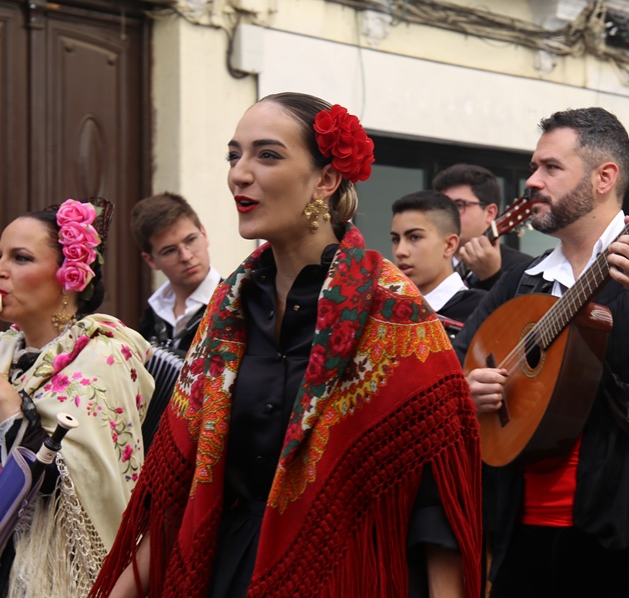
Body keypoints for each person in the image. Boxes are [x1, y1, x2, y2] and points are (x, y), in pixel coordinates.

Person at [92, 93, 482, 598]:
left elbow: (436, 508)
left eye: (267, 155)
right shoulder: (225, 314)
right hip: (222, 573)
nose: (239, 173)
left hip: (348, 577)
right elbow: (179, 493)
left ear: (325, 178)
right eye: (235, 155)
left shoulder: (393, 313)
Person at [453, 107, 629, 597]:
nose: (533, 181)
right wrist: (469, 387)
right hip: (521, 531)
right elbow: (456, 366)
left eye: (551, 168)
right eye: (534, 166)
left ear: (605, 177)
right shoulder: (521, 280)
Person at [0, 197, 153, 597]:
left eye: (20, 258)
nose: (2, 270)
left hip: (49, 574)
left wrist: (10, 408)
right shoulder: (5, 352)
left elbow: (76, 488)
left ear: (69, 276)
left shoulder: (105, 357)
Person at [130, 193, 220, 356]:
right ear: (150, 260)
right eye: (170, 251)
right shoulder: (151, 319)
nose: (186, 256)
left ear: (204, 234)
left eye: (191, 240)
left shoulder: (236, 304)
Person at [391, 190, 487, 325]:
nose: (400, 251)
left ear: (449, 245)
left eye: (415, 237)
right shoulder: (387, 310)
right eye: (395, 239)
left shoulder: (482, 310)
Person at [432, 164, 533, 290]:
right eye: (443, 207)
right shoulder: (430, 263)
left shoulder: (522, 267)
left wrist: (491, 277)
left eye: (459, 205)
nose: (449, 214)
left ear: (489, 213)